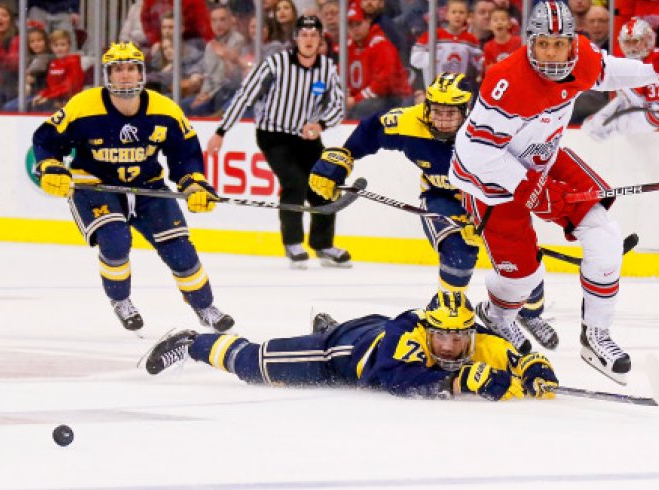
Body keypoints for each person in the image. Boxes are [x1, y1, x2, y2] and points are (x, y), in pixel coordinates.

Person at [448, 0, 659, 384]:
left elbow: (609, 72)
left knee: (604, 235)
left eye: (560, 44)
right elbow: (474, 151)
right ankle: (497, 317)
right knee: (521, 279)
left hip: (546, 159)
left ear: (572, 42)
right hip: (493, 180)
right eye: (543, 45)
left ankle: (596, 335)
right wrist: (528, 188)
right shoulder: (507, 82)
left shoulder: (582, 58)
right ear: (530, 43)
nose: (553, 53)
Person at [309, 72, 560, 351]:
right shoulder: (411, 122)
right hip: (441, 198)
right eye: (436, 111)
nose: (440, 120)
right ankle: (449, 322)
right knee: (458, 251)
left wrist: (488, 217)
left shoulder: (492, 128)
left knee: (522, 259)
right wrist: (343, 156)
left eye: (449, 113)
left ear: (467, 111)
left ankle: (530, 314)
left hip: (490, 200)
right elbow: (372, 128)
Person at [31, 42, 235, 333]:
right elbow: (46, 140)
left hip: (147, 187)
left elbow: (185, 155)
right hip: (95, 185)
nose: (124, 75)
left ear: (141, 73)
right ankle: (121, 300)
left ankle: (204, 306)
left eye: (130, 68)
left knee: (180, 250)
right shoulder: (83, 106)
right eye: (117, 69)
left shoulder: (165, 110)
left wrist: (194, 183)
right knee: (115, 239)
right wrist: (50, 166)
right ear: (107, 75)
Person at [143, 291, 559, 401]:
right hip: (340, 355)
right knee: (255, 366)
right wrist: (459, 383)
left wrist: (533, 367)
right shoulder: (405, 341)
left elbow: (506, 354)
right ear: (427, 330)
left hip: (369, 331)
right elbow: (391, 379)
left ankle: (331, 323)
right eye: (443, 336)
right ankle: (194, 343)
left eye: (459, 337)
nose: (451, 346)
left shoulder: (470, 337)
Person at [206, 16, 349, 269]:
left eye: (313, 35)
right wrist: (221, 131)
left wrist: (321, 125)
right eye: (303, 34)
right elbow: (245, 96)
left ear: (320, 40)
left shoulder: (327, 68)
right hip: (274, 136)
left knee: (325, 182)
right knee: (294, 183)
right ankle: (293, 242)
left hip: (307, 138)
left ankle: (323, 244)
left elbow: (338, 105)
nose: (308, 39)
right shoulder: (275, 64)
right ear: (295, 38)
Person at [582, 18, 659, 139]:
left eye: (636, 41)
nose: (630, 48)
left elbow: (658, 117)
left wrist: (615, 125)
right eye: (627, 42)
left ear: (649, 40)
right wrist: (601, 118)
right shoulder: (629, 65)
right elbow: (626, 101)